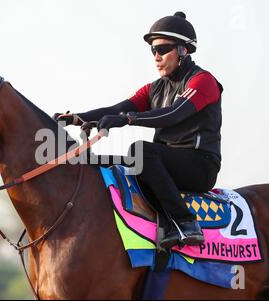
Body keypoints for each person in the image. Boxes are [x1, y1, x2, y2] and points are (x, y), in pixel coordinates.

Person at [54, 12, 223, 250]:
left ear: (184, 50)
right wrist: (76, 117)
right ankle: (160, 222)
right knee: (96, 161)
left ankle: (186, 223)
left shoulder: (203, 81)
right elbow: (117, 108)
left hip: (200, 166)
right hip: (164, 163)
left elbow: (172, 114)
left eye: (163, 49)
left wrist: (128, 120)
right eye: (152, 51)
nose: (156, 57)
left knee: (140, 151)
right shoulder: (154, 88)